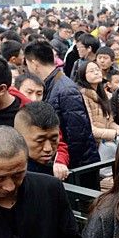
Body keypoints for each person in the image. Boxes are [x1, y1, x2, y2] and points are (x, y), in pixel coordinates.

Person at [23, 40, 100, 173]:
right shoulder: (50, 84)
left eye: (27, 63)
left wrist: (65, 163)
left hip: (78, 167)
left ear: (34, 63)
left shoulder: (66, 89)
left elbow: (78, 134)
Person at [75, 60, 119, 145]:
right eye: (91, 71)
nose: (96, 73)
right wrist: (115, 133)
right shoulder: (82, 96)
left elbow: (109, 123)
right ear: (83, 76)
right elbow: (91, 129)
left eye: (97, 69)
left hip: (105, 142)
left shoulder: (103, 95)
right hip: (94, 145)